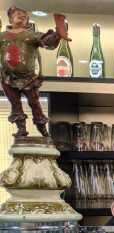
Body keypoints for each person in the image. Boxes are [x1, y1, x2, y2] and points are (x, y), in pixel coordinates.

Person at [0, 6, 69, 137]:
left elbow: (47, 42)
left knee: (34, 103)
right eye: (17, 14)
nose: (21, 16)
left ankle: (43, 130)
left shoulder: (32, 35)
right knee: (15, 103)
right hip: (7, 77)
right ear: (10, 19)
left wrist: (57, 34)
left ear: (27, 21)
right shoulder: (2, 36)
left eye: (24, 15)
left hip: (28, 78)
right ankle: (21, 129)